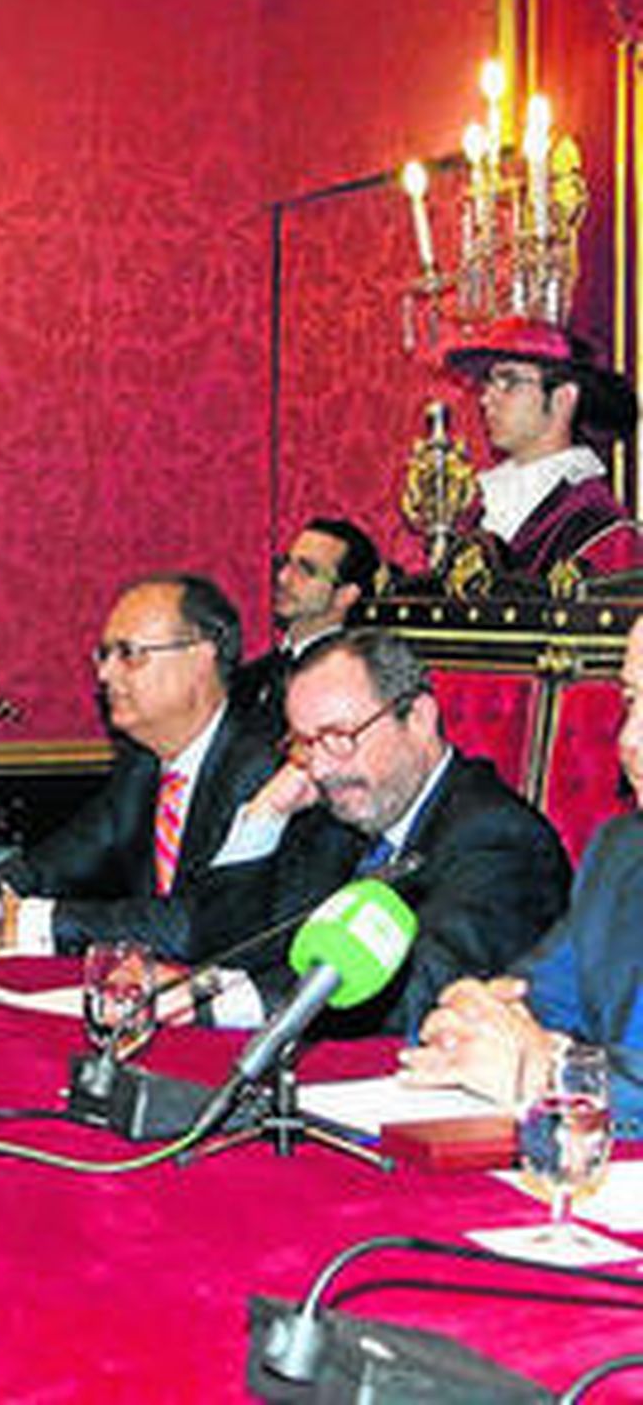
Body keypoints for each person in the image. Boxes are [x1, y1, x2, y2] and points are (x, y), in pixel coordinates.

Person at [221, 629, 569, 1036]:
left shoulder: (500, 839)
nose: (318, 769)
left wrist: (239, 1004)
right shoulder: (337, 818)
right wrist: (265, 816)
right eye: (304, 744)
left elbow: (421, 993)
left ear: (419, 719)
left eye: (337, 738)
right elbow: (236, 942)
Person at [399, 617, 643, 1131]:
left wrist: (552, 1073)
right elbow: (537, 996)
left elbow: (545, 1062)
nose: (629, 741)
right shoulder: (620, 853)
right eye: (631, 701)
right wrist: (475, 1016)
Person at [0, 574, 278, 962]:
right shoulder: (142, 765)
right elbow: (63, 860)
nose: (105, 675)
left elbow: (197, 927)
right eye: (104, 655)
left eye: (129, 654)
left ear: (202, 657)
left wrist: (40, 920)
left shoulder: (262, 768)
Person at [444, 315, 642, 582]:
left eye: (509, 381)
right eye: (488, 383)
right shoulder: (478, 511)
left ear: (563, 399)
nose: (485, 398)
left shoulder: (602, 533)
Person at [230, 518, 380, 733]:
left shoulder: (356, 683)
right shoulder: (245, 679)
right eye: (286, 563)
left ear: (345, 595)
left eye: (307, 570)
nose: (283, 578)